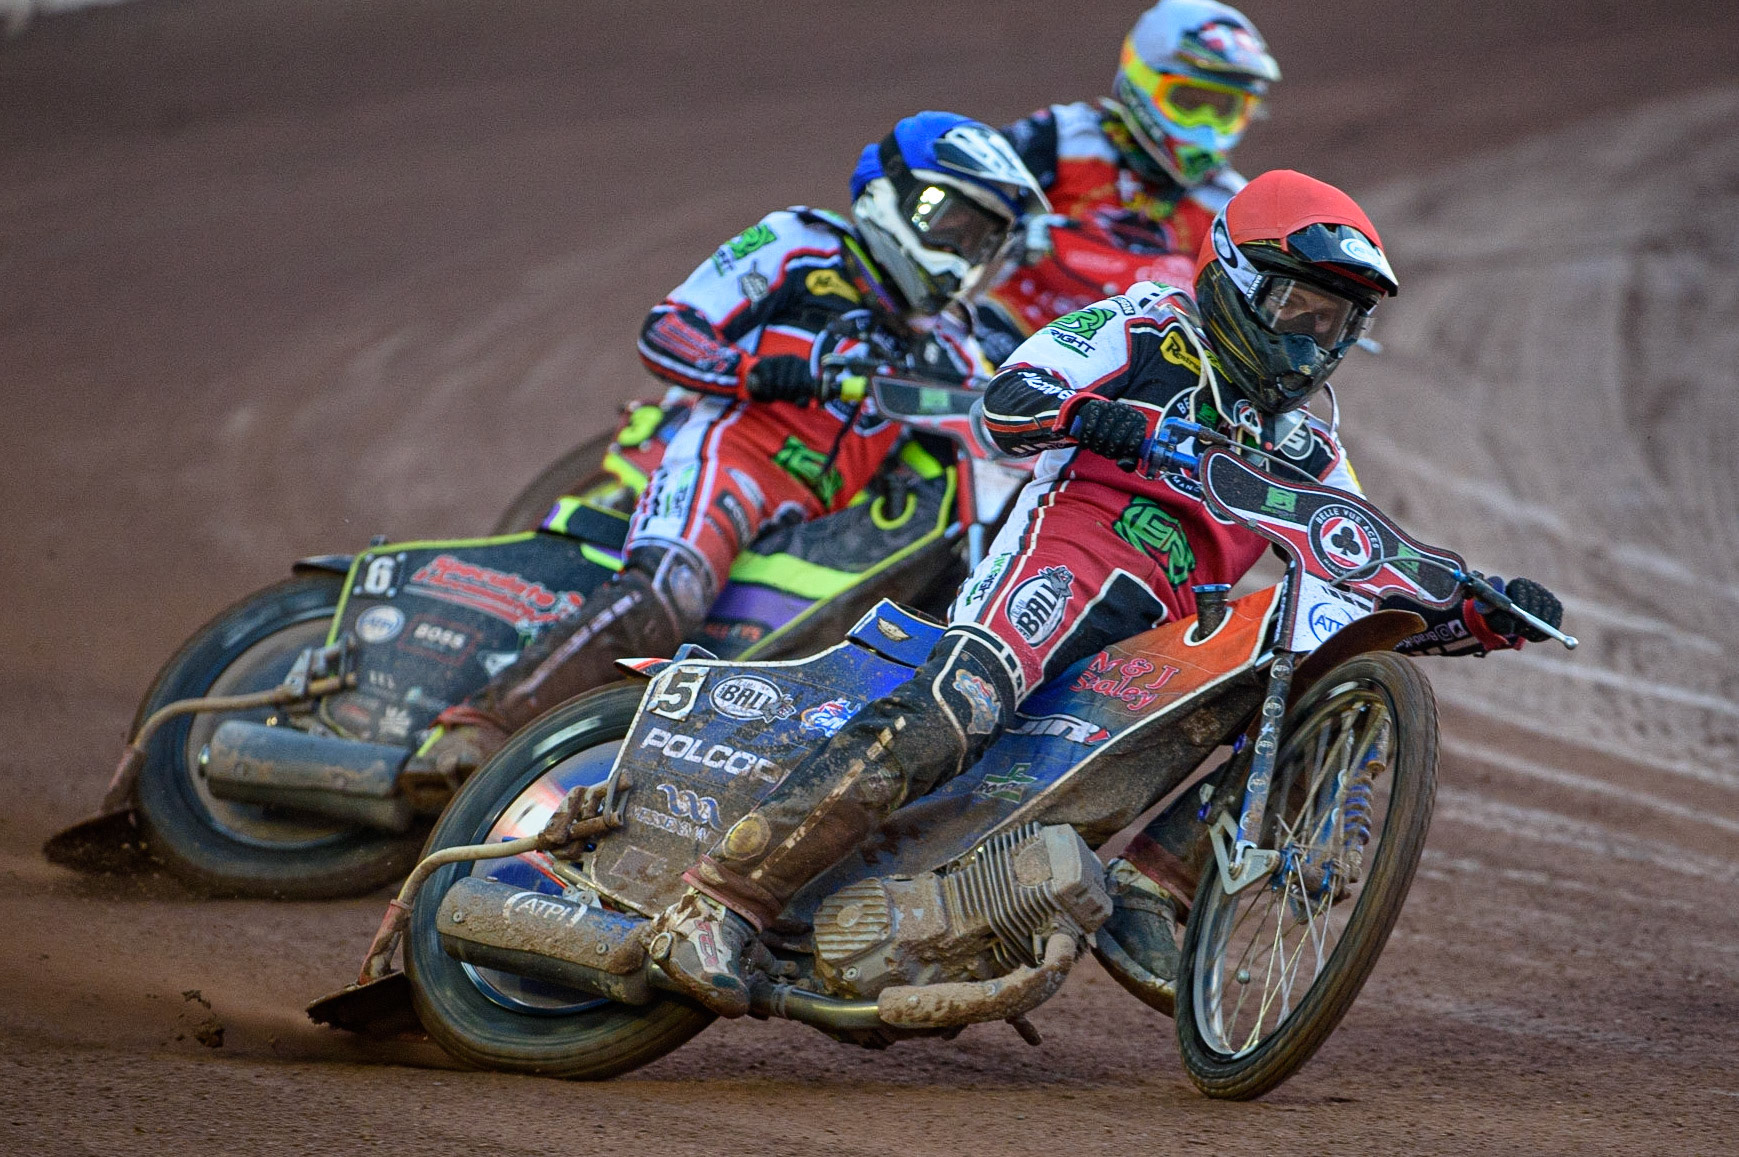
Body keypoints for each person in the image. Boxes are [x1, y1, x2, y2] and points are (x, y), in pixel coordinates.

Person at [646, 168, 1564, 1017]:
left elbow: (1354, 563)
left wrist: (1474, 611)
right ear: (1236, 279)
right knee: (959, 704)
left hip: (1160, 646)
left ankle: (1153, 893)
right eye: (1297, 307)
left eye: (1334, 323)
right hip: (1061, 564)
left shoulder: (1307, 445)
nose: (1310, 339)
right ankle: (719, 900)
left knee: (1301, 679)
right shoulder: (1142, 326)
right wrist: (1103, 418)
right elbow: (1010, 402)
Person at [423, 112, 1048, 770]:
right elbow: (670, 329)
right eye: (948, 219)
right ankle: (480, 727)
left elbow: (996, 419)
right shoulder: (799, 244)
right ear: (887, 189)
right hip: (734, 458)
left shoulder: (950, 340)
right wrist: (759, 372)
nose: (960, 246)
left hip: (818, 518)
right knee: (675, 587)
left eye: (980, 237)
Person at [981, 0, 1280, 353]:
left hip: (1131, 376)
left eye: (1222, 109)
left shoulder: (1228, 208)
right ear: (1142, 80)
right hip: (1010, 341)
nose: (1205, 125)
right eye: (1189, 101)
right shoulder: (1064, 139)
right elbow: (962, 200)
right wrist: (1005, 230)